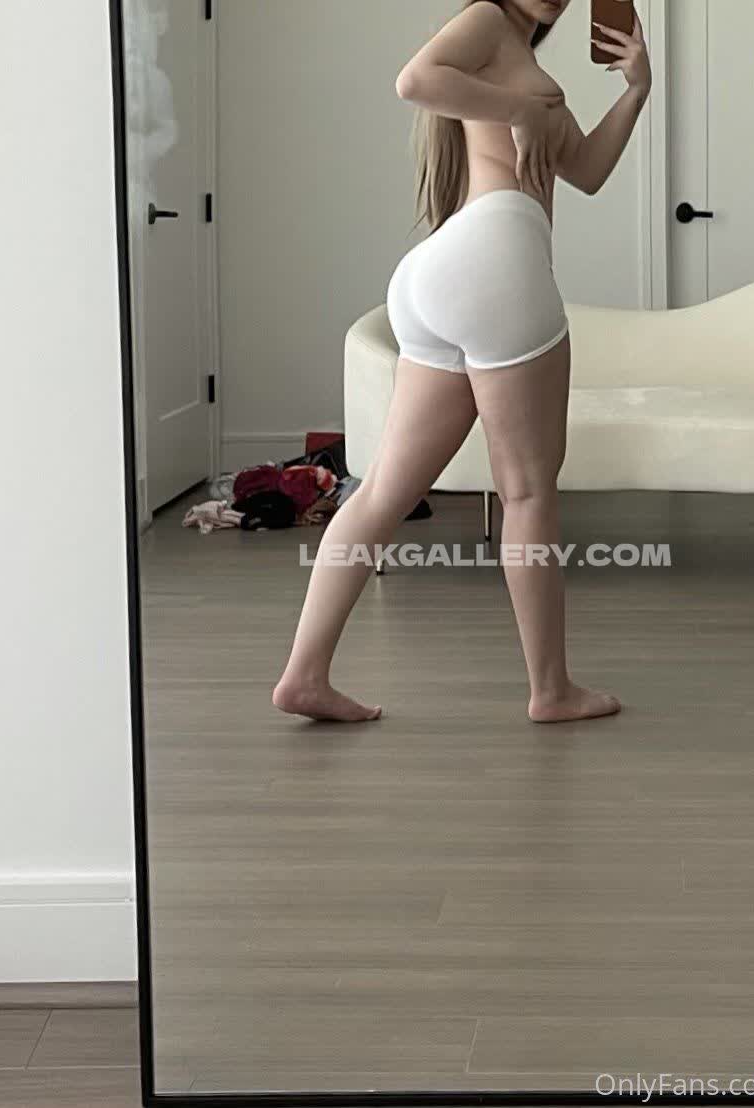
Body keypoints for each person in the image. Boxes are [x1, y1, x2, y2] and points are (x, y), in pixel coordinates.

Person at [273, 0, 652, 723]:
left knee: (383, 492)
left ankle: (305, 676)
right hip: (495, 259)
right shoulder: (486, 21)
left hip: (443, 273)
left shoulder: (517, 56)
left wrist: (636, 90)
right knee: (528, 493)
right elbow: (414, 81)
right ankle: (551, 691)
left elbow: (587, 170)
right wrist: (524, 107)